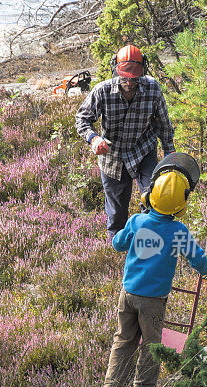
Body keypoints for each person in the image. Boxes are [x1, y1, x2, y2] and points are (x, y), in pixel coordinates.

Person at [99, 153, 207, 387]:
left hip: (128, 293)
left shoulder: (137, 221)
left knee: (123, 340)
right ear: (180, 204)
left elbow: (118, 244)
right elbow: (196, 258)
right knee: (152, 343)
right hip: (153, 300)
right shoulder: (178, 231)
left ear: (151, 193)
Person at [75, 45, 176, 242]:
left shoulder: (152, 88)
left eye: (135, 76)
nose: (129, 81)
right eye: (125, 76)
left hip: (143, 151)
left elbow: (163, 124)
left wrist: (170, 157)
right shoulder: (102, 91)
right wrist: (93, 139)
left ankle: (147, 243)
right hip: (113, 156)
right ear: (116, 68)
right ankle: (118, 247)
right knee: (117, 211)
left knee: (153, 200)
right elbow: (82, 119)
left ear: (143, 70)